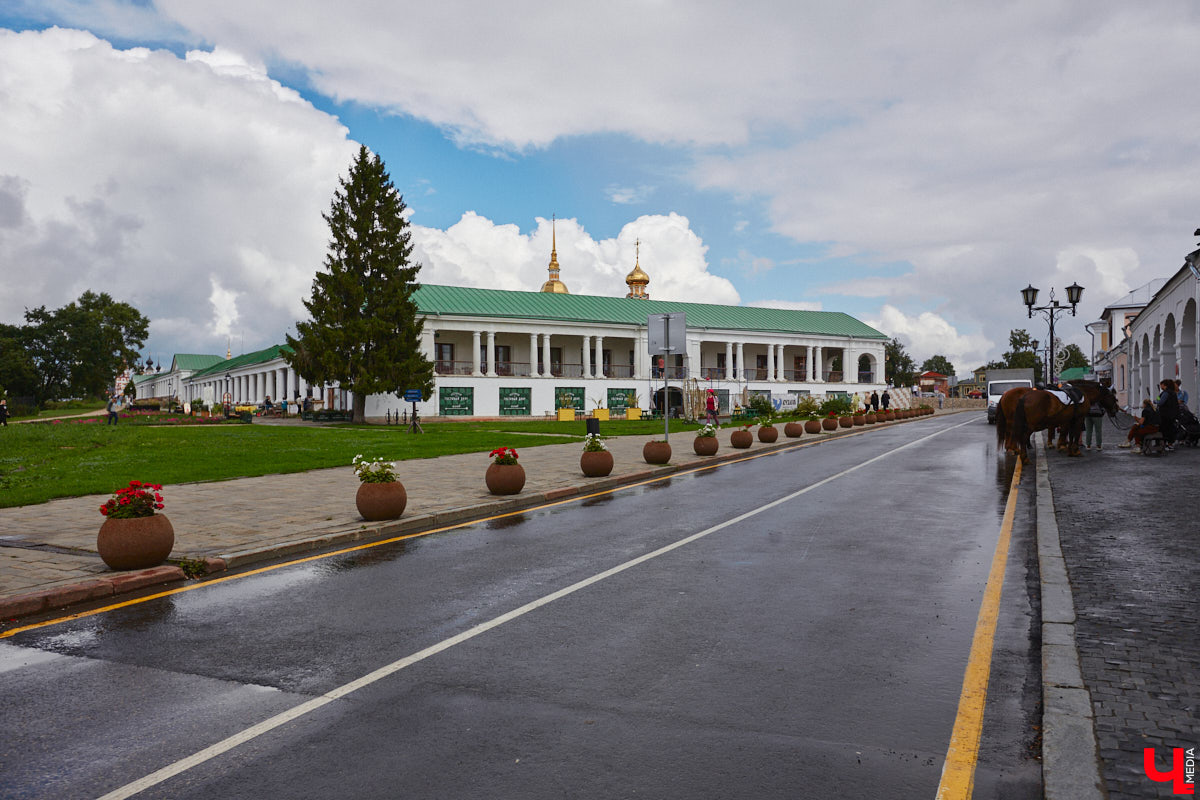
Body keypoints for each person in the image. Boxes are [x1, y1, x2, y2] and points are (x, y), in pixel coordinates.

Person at [1157, 379, 1179, 451]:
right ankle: (1170, 444)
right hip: (1172, 414)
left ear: (1164, 385)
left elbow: (1160, 402)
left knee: (1164, 430)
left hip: (1165, 415)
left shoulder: (1165, 393)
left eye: (1161, 384)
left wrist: (1155, 401)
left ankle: (1165, 444)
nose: (1160, 386)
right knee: (1171, 429)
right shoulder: (1173, 393)